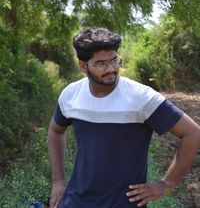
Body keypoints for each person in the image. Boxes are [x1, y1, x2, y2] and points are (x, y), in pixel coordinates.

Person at [48, 27, 200, 208]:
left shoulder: (141, 97)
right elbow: (55, 131)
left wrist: (165, 184)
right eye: (101, 63)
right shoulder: (70, 95)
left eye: (114, 60)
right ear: (83, 66)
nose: (111, 68)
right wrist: (58, 181)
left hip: (124, 203)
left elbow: (192, 133)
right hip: (75, 201)